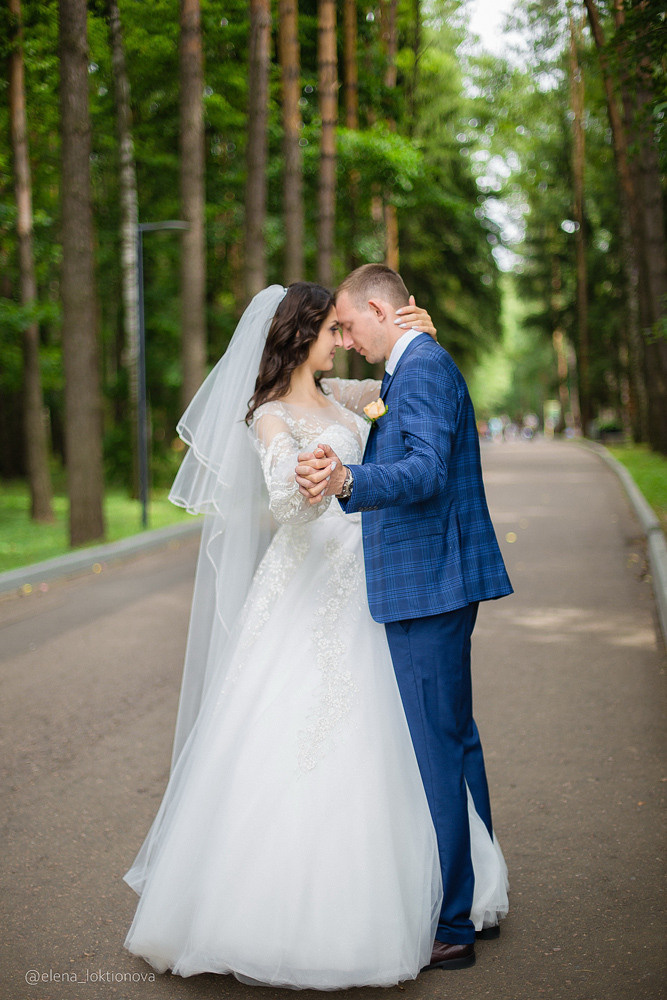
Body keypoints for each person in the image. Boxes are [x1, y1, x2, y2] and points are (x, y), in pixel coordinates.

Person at [123, 282, 508, 989]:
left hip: (375, 577)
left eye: (347, 328)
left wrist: (411, 329)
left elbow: (400, 375)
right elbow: (287, 500)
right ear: (303, 336)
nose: (344, 340)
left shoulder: (351, 394)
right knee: (334, 733)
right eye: (334, 331)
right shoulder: (269, 414)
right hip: (314, 580)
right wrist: (305, 484)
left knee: (423, 731)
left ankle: (449, 891)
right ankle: (342, 906)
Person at [296, 264, 513, 971]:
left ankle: (452, 926)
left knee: (437, 751)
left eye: (350, 325)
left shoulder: (418, 369)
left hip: (428, 584)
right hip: (437, 580)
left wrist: (349, 480)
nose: (348, 339)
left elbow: (423, 471)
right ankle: (477, 895)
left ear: (375, 308)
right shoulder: (413, 361)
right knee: (457, 741)